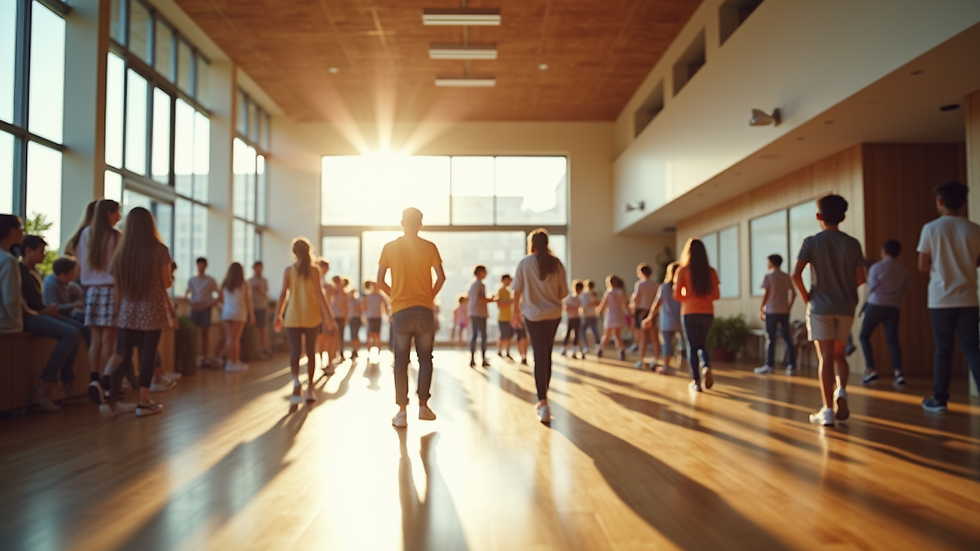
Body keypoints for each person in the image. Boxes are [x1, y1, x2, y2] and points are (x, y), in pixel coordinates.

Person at [792, 194, 866, 426]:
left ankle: (827, 411)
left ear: (818, 216)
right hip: (846, 306)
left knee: (825, 357)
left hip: (820, 307)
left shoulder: (811, 242)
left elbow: (796, 274)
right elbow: (861, 277)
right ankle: (841, 390)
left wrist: (806, 297)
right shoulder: (852, 243)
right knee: (839, 355)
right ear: (843, 217)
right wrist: (845, 288)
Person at [377, 208, 446, 428]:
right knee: (425, 358)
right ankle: (423, 406)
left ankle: (401, 412)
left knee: (400, 360)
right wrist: (429, 297)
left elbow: (379, 281)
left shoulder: (389, 247)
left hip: (401, 311)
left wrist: (396, 297)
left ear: (401, 223)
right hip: (424, 309)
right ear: (420, 225)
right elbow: (441, 277)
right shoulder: (430, 247)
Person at [916, 181, 980, 412]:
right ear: (964, 203)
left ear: (940, 202)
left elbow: (923, 266)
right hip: (969, 298)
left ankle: (940, 399)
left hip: (941, 299)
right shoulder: (975, 229)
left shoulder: (931, 228)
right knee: (972, 348)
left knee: (943, 350)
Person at [108, 207, 177, 417]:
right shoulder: (160, 250)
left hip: (128, 310)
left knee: (125, 354)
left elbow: (117, 283)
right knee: (148, 353)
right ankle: (143, 402)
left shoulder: (122, 251)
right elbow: (166, 283)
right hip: (152, 308)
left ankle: (111, 401)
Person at [16, 235, 83, 412]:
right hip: (29, 318)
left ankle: (67, 384)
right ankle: (45, 387)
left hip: (40, 314)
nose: (45, 254)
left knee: (77, 330)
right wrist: (42, 312)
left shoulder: (34, 272)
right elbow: (20, 303)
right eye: (41, 251)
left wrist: (47, 310)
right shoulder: (18, 270)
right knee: (71, 333)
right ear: (28, 251)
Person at [512, 229, 568, 424]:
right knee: (547, 354)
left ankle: (543, 403)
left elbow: (517, 291)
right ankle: (544, 399)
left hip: (533, 315)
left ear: (532, 244)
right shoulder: (557, 263)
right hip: (553, 314)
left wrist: (516, 312)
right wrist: (549, 294)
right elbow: (563, 293)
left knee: (539, 355)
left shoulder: (524, 263)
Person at [274, 238, 335, 404]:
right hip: (312, 316)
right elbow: (320, 294)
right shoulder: (315, 270)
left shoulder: (288, 270)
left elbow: (283, 295)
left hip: (293, 316)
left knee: (295, 351)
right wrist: (329, 316)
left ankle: (296, 380)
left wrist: (278, 315)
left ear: (294, 253)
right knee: (310, 352)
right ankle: (310, 389)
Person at [76, 199, 122, 404]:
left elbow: (80, 264)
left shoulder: (86, 233)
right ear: (108, 214)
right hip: (111, 290)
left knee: (95, 340)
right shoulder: (116, 236)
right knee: (108, 341)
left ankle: (93, 379)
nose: (119, 216)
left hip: (92, 292)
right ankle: (106, 382)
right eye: (117, 212)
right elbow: (119, 269)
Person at [859, 239, 909, 386]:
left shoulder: (877, 267)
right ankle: (898, 373)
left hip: (875, 304)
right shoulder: (904, 270)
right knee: (893, 340)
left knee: (864, 336)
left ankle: (871, 369)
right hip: (893, 307)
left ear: (884, 252)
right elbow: (904, 289)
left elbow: (871, 287)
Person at [674, 238, 721, 392]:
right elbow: (716, 295)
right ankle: (706, 366)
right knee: (703, 345)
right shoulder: (711, 271)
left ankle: (696, 381)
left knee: (692, 347)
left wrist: (688, 298)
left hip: (689, 312)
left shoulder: (683, 271)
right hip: (707, 312)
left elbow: (677, 295)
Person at [754, 254, 797, 375]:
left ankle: (769, 365)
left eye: (767, 262)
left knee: (770, 338)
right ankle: (791, 365)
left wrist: (761, 308)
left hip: (771, 311)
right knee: (787, 338)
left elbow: (766, 294)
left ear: (771, 263)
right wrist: (789, 307)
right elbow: (794, 293)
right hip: (784, 311)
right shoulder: (786, 276)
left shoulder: (768, 276)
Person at [644, 261, 684, 374]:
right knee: (682, 342)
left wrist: (650, 317)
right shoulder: (683, 286)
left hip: (667, 322)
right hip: (681, 319)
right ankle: (682, 360)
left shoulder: (664, 287)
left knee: (667, 344)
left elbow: (657, 303)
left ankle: (666, 366)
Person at [185, 257, 220, 367]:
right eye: (199, 265)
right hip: (195, 309)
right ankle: (191, 357)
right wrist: (193, 305)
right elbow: (186, 295)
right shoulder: (192, 280)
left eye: (203, 265)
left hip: (206, 309)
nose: (201, 267)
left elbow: (219, 295)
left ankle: (206, 358)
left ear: (206, 266)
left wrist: (209, 305)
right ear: (197, 266)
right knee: (192, 333)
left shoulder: (211, 280)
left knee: (205, 334)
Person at [221, 262, 255, 372]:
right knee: (235, 339)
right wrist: (251, 314)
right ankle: (234, 362)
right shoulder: (244, 284)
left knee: (229, 339)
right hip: (238, 313)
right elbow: (248, 300)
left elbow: (221, 297)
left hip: (226, 313)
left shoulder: (225, 283)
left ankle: (230, 362)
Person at [43, 257, 91, 333]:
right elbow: (51, 307)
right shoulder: (51, 284)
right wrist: (74, 305)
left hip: (69, 314)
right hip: (56, 316)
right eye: (72, 273)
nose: (75, 275)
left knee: (90, 322)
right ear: (62, 274)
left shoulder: (69, 285)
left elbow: (81, 299)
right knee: (84, 328)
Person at [631, 264, 659, 369]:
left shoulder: (639, 284)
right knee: (654, 338)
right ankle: (655, 360)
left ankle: (641, 360)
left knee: (643, 338)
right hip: (652, 312)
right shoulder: (656, 285)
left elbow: (636, 298)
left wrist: (634, 309)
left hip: (642, 311)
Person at [0, 215, 25, 333]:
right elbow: (11, 299)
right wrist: (18, 322)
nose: (23, 232)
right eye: (21, 228)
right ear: (12, 230)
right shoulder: (8, 260)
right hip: (6, 325)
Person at [468, 265, 496, 368]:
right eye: (485, 271)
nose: (486, 274)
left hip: (474, 313)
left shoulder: (473, 284)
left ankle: (473, 359)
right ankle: (483, 359)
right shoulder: (479, 285)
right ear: (480, 272)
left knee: (475, 336)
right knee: (483, 336)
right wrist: (492, 299)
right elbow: (480, 299)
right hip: (479, 313)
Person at [596, 275, 629, 361]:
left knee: (607, 335)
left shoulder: (608, 292)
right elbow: (625, 304)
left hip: (610, 316)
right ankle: (621, 351)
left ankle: (600, 349)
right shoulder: (621, 292)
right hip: (619, 315)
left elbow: (603, 304)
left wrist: (599, 310)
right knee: (617, 335)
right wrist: (628, 314)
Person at [363, 280, 391, 357]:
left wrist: (387, 314)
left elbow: (385, 305)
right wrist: (365, 315)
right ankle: (369, 352)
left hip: (378, 317)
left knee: (377, 335)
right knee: (370, 335)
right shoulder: (368, 296)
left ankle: (378, 351)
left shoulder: (380, 296)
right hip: (370, 317)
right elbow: (364, 306)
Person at [249, 261, 271, 357]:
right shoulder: (249, 281)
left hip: (262, 307)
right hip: (252, 308)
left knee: (262, 329)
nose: (259, 270)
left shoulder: (264, 281)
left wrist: (259, 291)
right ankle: (255, 349)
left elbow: (267, 295)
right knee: (253, 330)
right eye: (257, 268)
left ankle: (264, 349)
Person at [561, 281, 584, 358]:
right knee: (570, 334)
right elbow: (566, 308)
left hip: (574, 318)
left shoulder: (576, 299)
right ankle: (566, 350)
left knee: (575, 335)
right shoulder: (572, 298)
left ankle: (573, 351)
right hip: (572, 318)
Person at [496, 274, 516, 360]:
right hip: (503, 318)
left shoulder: (509, 291)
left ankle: (507, 352)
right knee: (503, 335)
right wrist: (511, 301)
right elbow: (499, 304)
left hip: (509, 317)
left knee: (509, 336)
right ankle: (500, 351)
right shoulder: (501, 291)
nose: (510, 282)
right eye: (508, 280)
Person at [330, 275, 349, 360]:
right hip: (332, 317)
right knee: (332, 337)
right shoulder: (331, 291)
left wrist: (346, 317)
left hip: (341, 317)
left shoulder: (344, 293)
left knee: (340, 336)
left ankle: (340, 353)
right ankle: (332, 354)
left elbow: (346, 307)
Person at [581, 280, 601, 353]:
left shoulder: (587, 294)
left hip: (588, 315)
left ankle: (587, 346)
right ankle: (597, 345)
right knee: (594, 331)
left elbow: (585, 304)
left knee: (583, 330)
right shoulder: (590, 294)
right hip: (592, 315)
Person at [346, 278, 363, 360]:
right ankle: (354, 350)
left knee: (355, 335)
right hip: (351, 319)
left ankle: (356, 350)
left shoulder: (357, 300)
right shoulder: (349, 301)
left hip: (356, 319)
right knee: (352, 335)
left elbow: (361, 309)